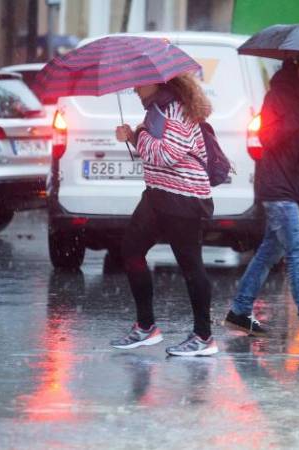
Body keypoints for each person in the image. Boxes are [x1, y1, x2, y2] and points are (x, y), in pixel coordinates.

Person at [224, 52, 299, 342]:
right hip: (278, 187)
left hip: (295, 186)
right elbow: (269, 136)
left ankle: (239, 311)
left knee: (269, 252)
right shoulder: (277, 95)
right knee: (298, 253)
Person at [109, 72, 218, 357]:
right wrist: (133, 136)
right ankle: (146, 327)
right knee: (130, 250)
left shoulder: (177, 111)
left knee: (191, 266)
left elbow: (166, 155)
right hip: (158, 192)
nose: (134, 87)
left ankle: (204, 336)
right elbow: (154, 151)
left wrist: (139, 135)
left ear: (158, 82)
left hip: (184, 196)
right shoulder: (157, 109)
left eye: (140, 82)